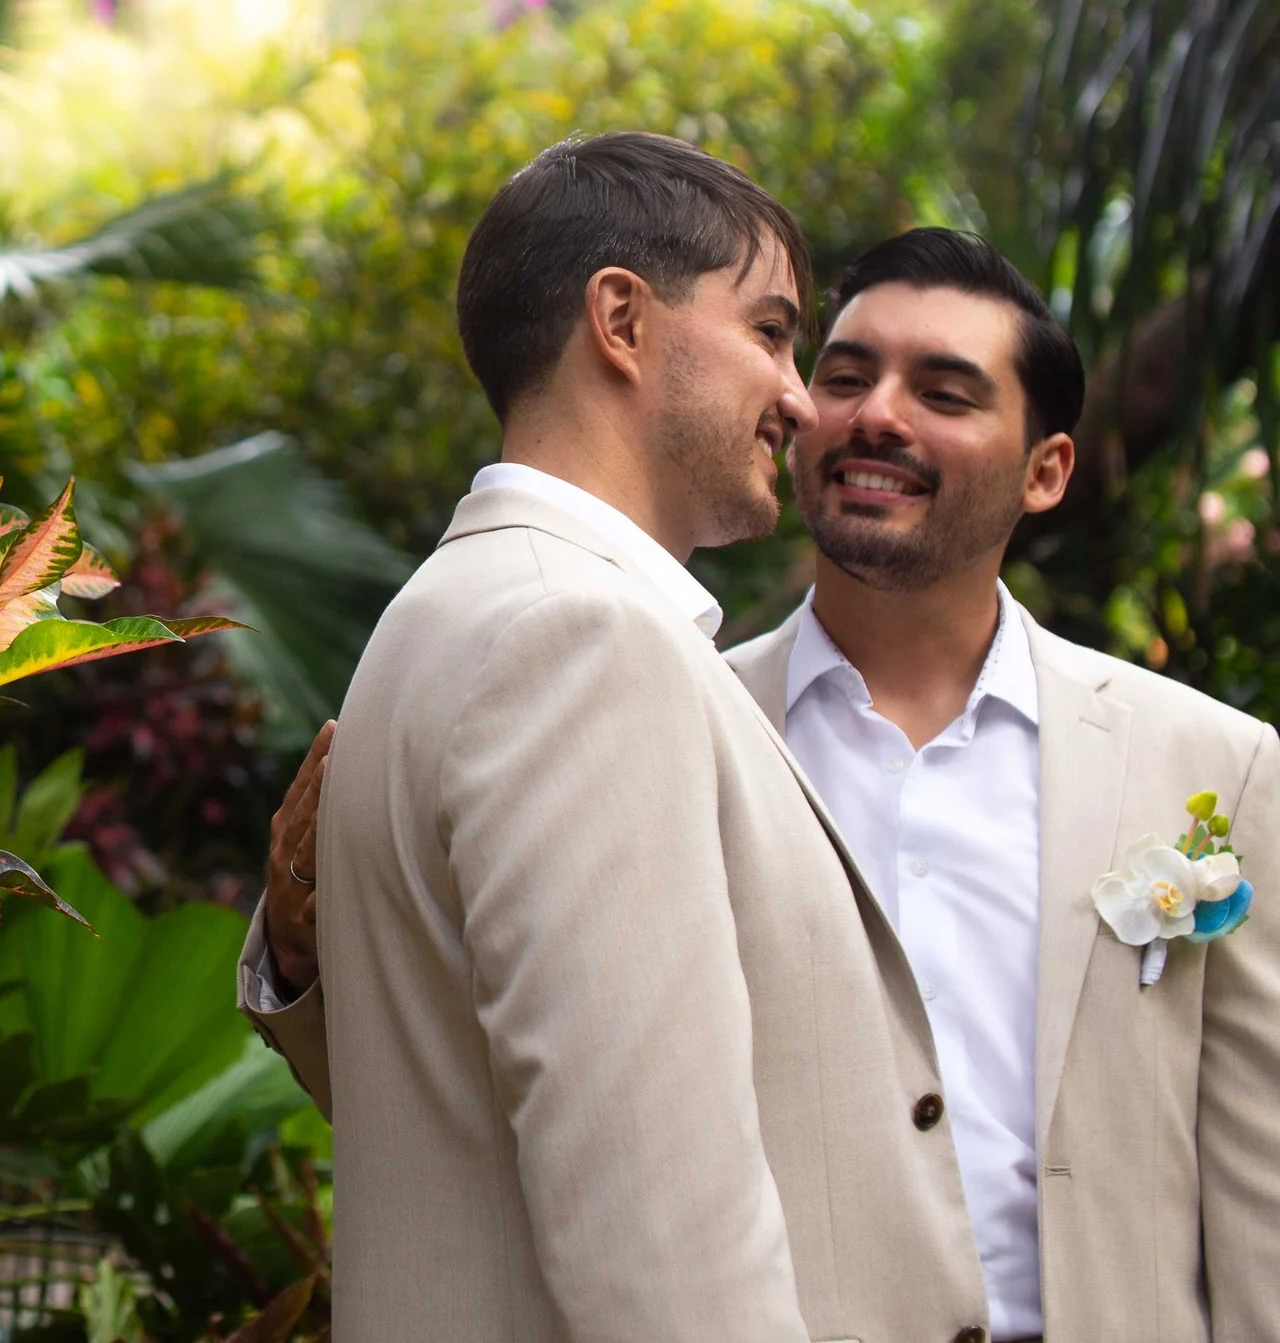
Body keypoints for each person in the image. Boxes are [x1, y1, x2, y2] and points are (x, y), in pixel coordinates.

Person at [248, 227, 1280, 1343]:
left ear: (1046, 470)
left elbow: (1258, 1182)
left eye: (942, 390)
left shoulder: (1209, 763)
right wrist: (307, 959)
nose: (873, 412)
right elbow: (478, 1103)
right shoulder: (645, 718)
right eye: (841, 373)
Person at [277, 134, 988, 1342]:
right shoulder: (583, 638)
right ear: (620, 318)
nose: (800, 398)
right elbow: (661, 1242)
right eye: (770, 330)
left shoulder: (446, 611)